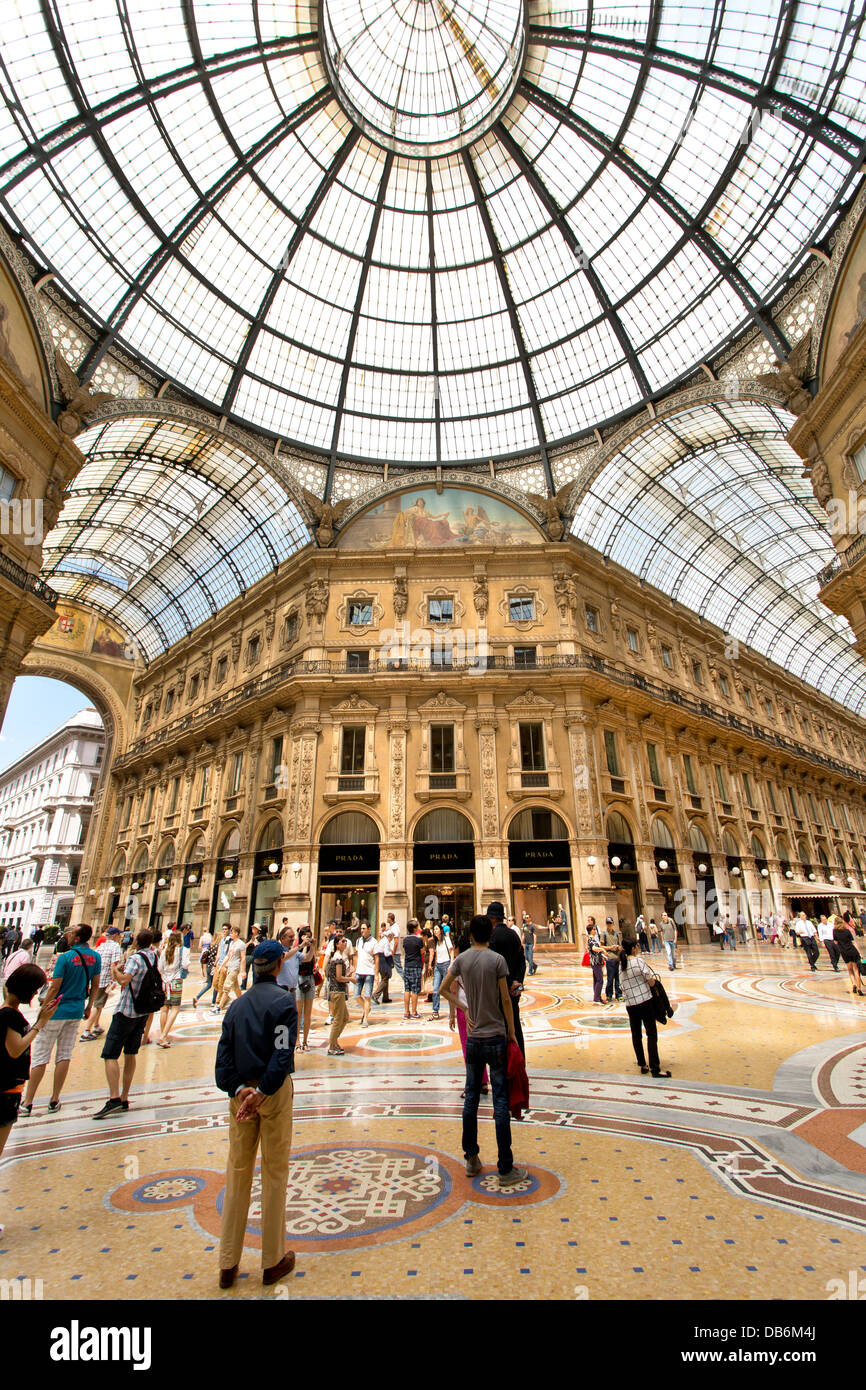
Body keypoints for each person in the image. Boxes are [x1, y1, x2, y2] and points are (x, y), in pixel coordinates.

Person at [215, 938, 297, 1288]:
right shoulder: (283, 1003)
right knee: (274, 1172)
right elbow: (281, 1053)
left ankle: (227, 1264)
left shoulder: (236, 1006)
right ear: (279, 965)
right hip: (272, 1094)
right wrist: (262, 1092)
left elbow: (222, 1063)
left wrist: (239, 1090)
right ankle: (272, 1259)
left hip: (240, 1099)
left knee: (237, 1172)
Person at [439, 915, 526, 1189]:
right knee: (500, 1101)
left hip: (475, 1039)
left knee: (471, 1099)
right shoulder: (497, 961)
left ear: (470, 934)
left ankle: (472, 1158)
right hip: (496, 1036)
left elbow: (443, 989)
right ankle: (505, 1167)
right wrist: (511, 1031)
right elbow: (505, 999)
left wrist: (464, 1008)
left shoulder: (462, 960)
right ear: (489, 933)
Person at [21, 924, 100, 1116]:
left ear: (76, 937)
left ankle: (28, 1102)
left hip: (55, 1011)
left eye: (72, 933)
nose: (69, 935)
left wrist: (43, 1011)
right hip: (76, 1010)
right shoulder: (95, 957)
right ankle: (55, 1099)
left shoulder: (64, 957)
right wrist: (89, 1007)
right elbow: (95, 985)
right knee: (64, 1055)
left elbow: (54, 988)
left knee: (40, 1056)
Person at [93, 928, 161, 1119]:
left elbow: (124, 981)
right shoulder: (154, 956)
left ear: (137, 941)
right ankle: (124, 1097)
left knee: (110, 1055)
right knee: (131, 1054)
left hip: (126, 1011)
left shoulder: (135, 958)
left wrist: (114, 970)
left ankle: (114, 1097)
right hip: (142, 1012)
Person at [1, 965, 56, 1187]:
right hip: (5, 1091)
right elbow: (15, 1050)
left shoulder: (8, 1012)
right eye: (35, 990)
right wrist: (40, 1023)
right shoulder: (8, 1015)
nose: (35, 994)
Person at [619, 939, 671, 1077]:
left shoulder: (621, 965)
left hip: (630, 1005)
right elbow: (651, 981)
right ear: (634, 948)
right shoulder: (638, 961)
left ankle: (642, 1065)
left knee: (636, 1035)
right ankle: (655, 1068)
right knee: (651, 1034)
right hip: (645, 1002)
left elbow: (621, 985)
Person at [486, 901, 526, 1056]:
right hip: (514, 991)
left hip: (498, 993)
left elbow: (494, 967)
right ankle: (519, 1063)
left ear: (492, 919)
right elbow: (522, 961)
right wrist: (517, 982)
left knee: (498, 1030)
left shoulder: (492, 937)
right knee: (515, 1025)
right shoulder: (513, 935)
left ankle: (503, 1067)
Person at [80, 926, 123, 1040]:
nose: (120, 938)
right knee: (98, 1005)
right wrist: (114, 980)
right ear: (115, 936)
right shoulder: (115, 947)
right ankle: (87, 1031)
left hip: (96, 977)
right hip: (105, 980)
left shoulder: (101, 946)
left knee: (98, 1002)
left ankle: (96, 1025)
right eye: (119, 935)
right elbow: (113, 965)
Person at [157, 929, 186, 1047]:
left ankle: (164, 1034)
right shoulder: (182, 951)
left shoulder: (164, 951)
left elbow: (160, 968)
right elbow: (185, 964)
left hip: (165, 982)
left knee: (164, 1009)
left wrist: (165, 976)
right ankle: (163, 1036)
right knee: (175, 1009)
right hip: (176, 982)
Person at [327, 934, 353, 1056]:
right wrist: (351, 979)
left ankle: (334, 1041)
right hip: (337, 991)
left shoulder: (339, 957)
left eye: (345, 941)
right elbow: (338, 977)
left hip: (339, 990)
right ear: (337, 944)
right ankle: (332, 1045)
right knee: (338, 1019)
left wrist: (348, 973)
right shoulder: (338, 958)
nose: (345, 943)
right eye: (343, 941)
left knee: (345, 1017)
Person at [213, 925, 245, 1014]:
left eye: (232, 932)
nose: (230, 934)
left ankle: (219, 1007)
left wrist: (243, 971)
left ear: (236, 933)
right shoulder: (232, 943)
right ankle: (243, 1003)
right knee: (236, 988)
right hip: (229, 967)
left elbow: (243, 958)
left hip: (235, 968)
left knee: (226, 986)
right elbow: (228, 955)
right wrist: (221, 966)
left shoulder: (241, 944)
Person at [295, 927, 316, 1051]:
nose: (307, 938)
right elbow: (302, 959)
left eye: (309, 935)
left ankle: (305, 1041)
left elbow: (311, 959)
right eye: (305, 936)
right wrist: (303, 945)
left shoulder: (310, 947)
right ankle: (297, 1041)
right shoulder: (297, 948)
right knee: (298, 1013)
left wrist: (312, 946)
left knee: (308, 1013)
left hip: (310, 979)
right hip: (299, 979)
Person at [833, 915, 864, 996]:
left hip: (844, 952)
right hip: (852, 951)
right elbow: (853, 942)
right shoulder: (847, 931)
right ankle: (859, 988)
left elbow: (835, 942)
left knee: (850, 970)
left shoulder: (835, 931)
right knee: (856, 970)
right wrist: (860, 953)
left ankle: (853, 984)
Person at [354, 921, 377, 1027]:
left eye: (364, 928)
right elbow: (357, 955)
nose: (362, 930)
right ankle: (367, 1008)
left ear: (369, 929)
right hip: (359, 971)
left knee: (367, 996)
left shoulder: (374, 942)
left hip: (369, 972)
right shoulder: (358, 941)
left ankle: (365, 1019)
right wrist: (354, 968)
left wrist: (376, 973)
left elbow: (377, 958)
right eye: (361, 928)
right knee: (356, 996)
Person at [402, 920, 425, 1021]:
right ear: (415, 929)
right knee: (415, 990)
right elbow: (422, 952)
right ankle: (414, 1012)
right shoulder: (419, 940)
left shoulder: (405, 939)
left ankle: (406, 1012)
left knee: (407, 989)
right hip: (416, 966)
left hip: (407, 965)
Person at [430, 922, 453, 1019]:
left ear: (440, 930)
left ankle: (452, 1011)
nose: (435, 931)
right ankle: (435, 1011)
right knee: (435, 989)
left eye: (436, 929)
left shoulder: (446, 939)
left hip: (446, 964)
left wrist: (451, 964)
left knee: (448, 989)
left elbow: (451, 951)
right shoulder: (435, 941)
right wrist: (434, 966)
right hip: (438, 966)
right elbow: (436, 955)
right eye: (434, 929)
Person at [371, 923, 394, 1005]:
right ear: (390, 937)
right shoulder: (386, 942)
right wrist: (391, 953)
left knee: (385, 977)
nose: (392, 939)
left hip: (380, 959)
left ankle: (385, 997)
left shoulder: (382, 940)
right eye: (392, 938)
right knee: (385, 978)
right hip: (384, 960)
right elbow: (386, 953)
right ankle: (375, 995)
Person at [602, 918, 623, 1002]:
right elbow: (602, 946)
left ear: (613, 924)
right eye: (607, 923)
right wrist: (610, 947)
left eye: (610, 923)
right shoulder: (604, 934)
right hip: (610, 959)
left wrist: (618, 947)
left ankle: (619, 994)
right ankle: (609, 995)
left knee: (618, 978)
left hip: (617, 958)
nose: (609, 925)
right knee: (610, 978)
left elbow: (620, 946)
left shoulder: (617, 934)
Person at [586, 917, 606, 1005]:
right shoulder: (590, 939)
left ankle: (597, 996)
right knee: (600, 980)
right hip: (595, 962)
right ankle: (597, 998)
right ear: (590, 931)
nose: (595, 930)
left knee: (596, 980)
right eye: (594, 929)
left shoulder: (593, 939)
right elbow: (594, 948)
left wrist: (604, 955)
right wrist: (602, 950)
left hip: (597, 961)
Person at [242, 925, 261, 990]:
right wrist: (250, 942)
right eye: (252, 928)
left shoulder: (260, 937)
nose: (253, 930)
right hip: (248, 954)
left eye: (255, 929)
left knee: (254, 971)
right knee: (245, 970)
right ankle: (243, 985)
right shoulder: (250, 936)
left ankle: (254, 985)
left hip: (255, 955)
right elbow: (245, 946)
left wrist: (257, 943)